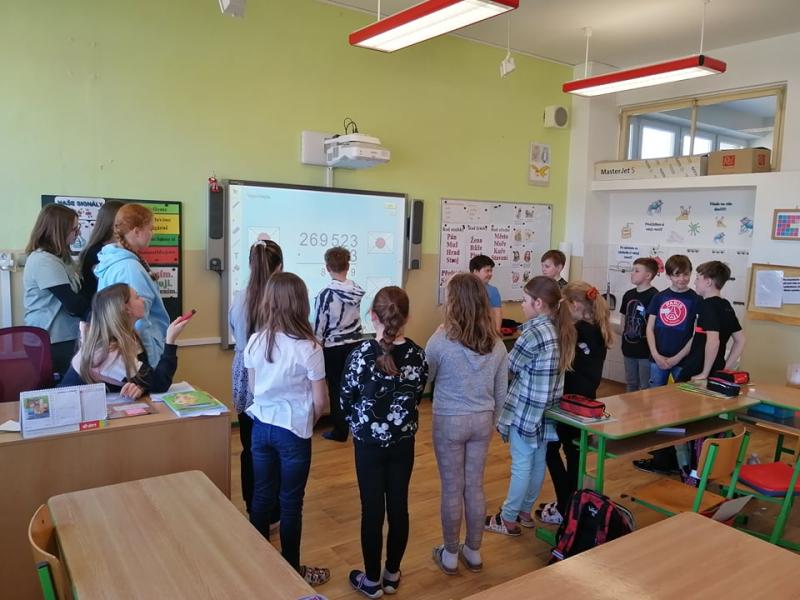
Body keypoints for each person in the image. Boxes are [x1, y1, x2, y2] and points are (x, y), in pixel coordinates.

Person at [341, 287, 428, 598]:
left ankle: (371, 580)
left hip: (367, 444)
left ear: (372, 316)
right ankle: (392, 574)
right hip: (402, 443)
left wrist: (359, 422)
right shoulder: (418, 355)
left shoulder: (359, 355)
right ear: (407, 316)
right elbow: (417, 395)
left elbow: (345, 401)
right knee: (399, 507)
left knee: (372, 510)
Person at [244, 272, 330, 587]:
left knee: (261, 496)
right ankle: (292, 570)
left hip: (260, 427)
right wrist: (308, 419)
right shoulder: (309, 347)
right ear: (301, 304)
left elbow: (252, 389)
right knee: (291, 502)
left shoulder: (256, 340)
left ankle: (258, 566)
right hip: (293, 431)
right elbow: (320, 401)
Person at [426, 273, 508, 575]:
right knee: (474, 486)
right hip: (482, 420)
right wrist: (493, 421)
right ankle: (473, 551)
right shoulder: (497, 344)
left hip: (449, 420)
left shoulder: (440, 341)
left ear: (453, 303)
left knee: (452, 488)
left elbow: (426, 378)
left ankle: (450, 554)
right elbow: (501, 393)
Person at [484, 276, 574, 537]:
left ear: (538, 303)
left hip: (526, 409)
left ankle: (508, 518)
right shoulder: (559, 329)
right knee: (536, 462)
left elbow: (509, 367)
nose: (522, 305)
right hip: (546, 410)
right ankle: (525, 511)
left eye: (525, 300)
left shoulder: (533, 333)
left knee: (521, 464)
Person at [538, 281, 612, 525]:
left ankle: (565, 504)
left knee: (551, 450)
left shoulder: (578, 330)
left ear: (575, 305)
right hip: (585, 401)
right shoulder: (599, 327)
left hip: (569, 402)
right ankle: (571, 503)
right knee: (573, 452)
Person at [228, 239, 283, 519]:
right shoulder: (280, 300)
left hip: (243, 372)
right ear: (280, 267)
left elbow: (233, 329)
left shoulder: (239, 297)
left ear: (250, 264)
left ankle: (253, 506)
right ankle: (273, 509)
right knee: (275, 446)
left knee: (249, 446)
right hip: (271, 371)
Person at [633, 254, 701, 475]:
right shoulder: (660, 297)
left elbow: (695, 335)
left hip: (681, 360)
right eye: (677, 275)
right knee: (656, 406)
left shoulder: (696, 299)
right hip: (658, 358)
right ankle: (660, 454)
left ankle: (678, 457)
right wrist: (655, 354)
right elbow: (650, 328)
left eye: (686, 274)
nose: (682, 279)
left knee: (678, 408)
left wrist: (676, 358)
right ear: (669, 275)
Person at [59, 283, 189, 395]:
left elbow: (145, 376)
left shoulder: (130, 336)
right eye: (137, 297)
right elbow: (159, 383)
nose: (143, 300)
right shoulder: (109, 351)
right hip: (70, 408)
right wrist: (170, 341)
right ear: (126, 309)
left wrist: (140, 386)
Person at [95, 204, 170, 367]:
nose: (153, 233)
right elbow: (139, 322)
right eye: (151, 228)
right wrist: (151, 363)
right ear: (136, 231)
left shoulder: (117, 260)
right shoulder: (129, 268)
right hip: (140, 354)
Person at [23, 204, 90, 375]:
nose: (78, 233)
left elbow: (81, 291)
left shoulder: (63, 258)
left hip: (66, 336)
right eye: (74, 229)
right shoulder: (43, 261)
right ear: (58, 231)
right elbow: (73, 304)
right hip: (51, 340)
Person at [313, 246, 365, 442]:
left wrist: (316, 345)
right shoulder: (356, 290)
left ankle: (340, 430)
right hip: (355, 344)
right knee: (353, 386)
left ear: (327, 268)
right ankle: (355, 424)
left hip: (333, 348)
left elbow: (319, 325)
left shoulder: (326, 295)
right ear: (348, 266)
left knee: (335, 388)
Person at [679, 260, 746, 380]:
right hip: (716, 370)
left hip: (698, 369)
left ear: (708, 282)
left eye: (698, 278)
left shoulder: (707, 305)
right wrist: (725, 367)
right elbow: (740, 340)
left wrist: (705, 373)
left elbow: (713, 341)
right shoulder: (725, 305)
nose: (694, 282)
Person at [619, 257, 659, 392]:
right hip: (628, 348)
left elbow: (655, 326)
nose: (632, 273)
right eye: (633, 270)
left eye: (636, 271)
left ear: (648, 275)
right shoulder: (628, 295)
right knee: (631, 383)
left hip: (645, 352)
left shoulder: (655, 296)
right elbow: (623, 319)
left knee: (645, 386)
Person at [78, 200, 124, 304]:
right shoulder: (96, 252)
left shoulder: (121, 250)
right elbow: (111, 287)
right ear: (113, 223)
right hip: (101, 308)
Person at [469, 255, 502, 334]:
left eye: (491, 271)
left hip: (485, 333)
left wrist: (497, 332)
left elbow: (497, 313)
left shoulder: (493, 291)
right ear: (475, 271)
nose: (490, 274)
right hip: (466, 333)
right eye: (487, 271)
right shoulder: (463, 289)